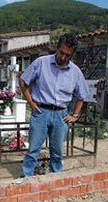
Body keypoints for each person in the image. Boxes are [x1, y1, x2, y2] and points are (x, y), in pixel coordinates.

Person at [19, 34, 89, 177]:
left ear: (72, 55)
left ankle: (55, 179)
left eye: (67, 55)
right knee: (33, 150)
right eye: (61, 53)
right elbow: (23, 81)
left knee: (57, 152)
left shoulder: (75, 72)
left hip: (61, 115)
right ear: (57, 48)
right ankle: (25, 178)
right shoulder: (41, 63)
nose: (63, 57)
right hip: (41, 112)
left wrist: (75, 115)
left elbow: (81, 95)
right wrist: (31, 103)